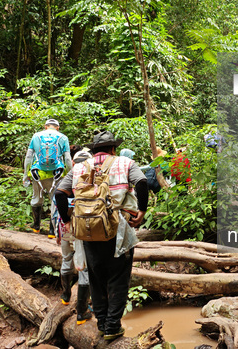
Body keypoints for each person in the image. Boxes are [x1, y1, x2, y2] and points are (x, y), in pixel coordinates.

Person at [69, 131, 148, 340]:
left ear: (94, 150)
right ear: (113, 148)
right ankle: (113, 327)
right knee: (119, 278)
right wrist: (142, 210)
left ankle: (102, 324)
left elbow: (60, 193)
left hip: (87, 231)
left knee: (96, 278)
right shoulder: (125, 163)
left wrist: (68, 221)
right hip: (118, 230)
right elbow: (141, 182)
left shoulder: (79, 167)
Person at [53, 149, 93, 325]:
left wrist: (61, 227)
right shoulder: (92, 176)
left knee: (66, 259)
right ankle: (82, 312)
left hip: (65, 227)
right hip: (82, 226)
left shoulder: (69, 178)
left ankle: (65, 295)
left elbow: (57, 202)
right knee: (83, 265)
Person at [23, 119, 72, 236]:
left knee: (36, 199)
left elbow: (29, 156)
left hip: (37, 173)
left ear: (45, 126)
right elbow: (68, 159)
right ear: (58, 127)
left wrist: (25, 174)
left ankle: (36, 227)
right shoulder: (63, 137)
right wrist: (71, 175)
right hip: (56, 173)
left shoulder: (36, 136)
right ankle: (52, 231)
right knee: (54, 201)